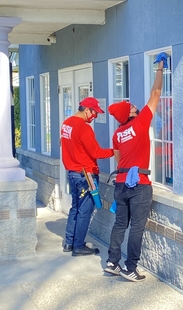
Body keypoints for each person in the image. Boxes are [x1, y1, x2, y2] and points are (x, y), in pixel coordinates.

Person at [104, 53, 167, 281]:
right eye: (132, 106)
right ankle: (130, 268)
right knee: (136, 228)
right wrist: (160, 69)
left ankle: (112, 262)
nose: (136, 107)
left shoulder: (118, 133)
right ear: (130, 114)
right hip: (139, 185)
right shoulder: (141, 123)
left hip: (120, 185)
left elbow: (118, 160)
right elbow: (156, 93)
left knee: (120, 223)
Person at [61, 97, 114, 256]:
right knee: (85, 210)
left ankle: (69, 242)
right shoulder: (84, 128)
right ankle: (78, 246)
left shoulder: (66, 124)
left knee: (75, 207)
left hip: (73, 174)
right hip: (87, 176)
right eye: (94, 113)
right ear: (86, 110)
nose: (95, 116)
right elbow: (96, 152)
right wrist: (115, 151)